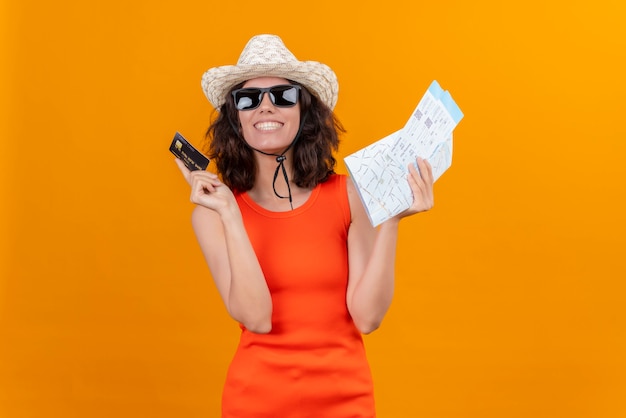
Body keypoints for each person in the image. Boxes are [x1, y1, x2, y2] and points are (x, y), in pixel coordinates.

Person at [175, 34, 434, 418]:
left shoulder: (348, 195)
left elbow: (367, 317)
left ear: (304, 111)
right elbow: (257, 318)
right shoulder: (213, 213)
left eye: (282, 95)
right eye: (248, 99)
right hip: (256, 402)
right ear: (236, 118)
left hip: (346, 402)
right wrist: (231, 214)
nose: (265, 107)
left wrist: (391, 220)